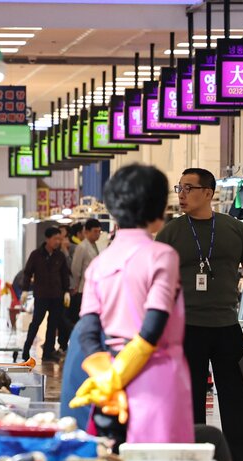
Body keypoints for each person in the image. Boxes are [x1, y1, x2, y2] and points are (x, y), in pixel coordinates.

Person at [68, 165, 193, 445]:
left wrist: (108, 377)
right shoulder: (162, 256)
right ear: (158, 211)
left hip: (106, 382)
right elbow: (153, 326)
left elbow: (87, 329)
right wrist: (121, 373)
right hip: (157, 379)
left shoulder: (100, 264)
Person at [156, 167, 243, 461]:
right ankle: (190, 460)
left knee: (237, 399)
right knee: (187, 401)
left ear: (208, 193)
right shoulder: (171, 232)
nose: (181, 194)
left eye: (188, 188)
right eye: (178, 188)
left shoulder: (235, 229)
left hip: (226, 327)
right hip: (185, 329)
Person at [20, 227, 71, 362]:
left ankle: (48, 351)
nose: (58, 242)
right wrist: (25, 290)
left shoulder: (59, 256)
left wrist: (66, 291)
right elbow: (27, 273)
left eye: (59, 239)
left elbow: (64, 274)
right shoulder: (36, 255)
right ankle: (25, 350)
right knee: (36, 322)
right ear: (47, 239)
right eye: (56, 239)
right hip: (41, 295)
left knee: (53, 324)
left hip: (57, 295)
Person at [70, 218, 104, 322]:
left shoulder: (95, 246)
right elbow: (75, 269)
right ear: (87, 232)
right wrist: (75, 286)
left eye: (99, 232)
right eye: (95, 231)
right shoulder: (82, 247)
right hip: (82, 288)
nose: (97, 234)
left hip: (94, 287)